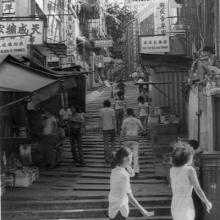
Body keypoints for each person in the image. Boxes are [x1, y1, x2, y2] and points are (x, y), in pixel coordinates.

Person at [108, 147, 154, 220]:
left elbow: (132, 174)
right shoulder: (124, 175)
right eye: (131, 158)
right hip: (120, 210)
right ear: (126, 159)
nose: (132, 160)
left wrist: (127, 164)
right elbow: (129, 196)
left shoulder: (115, 170)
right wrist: (143, 210)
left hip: (113, 209)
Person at [170, 143, 212, 220]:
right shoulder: (190, 170)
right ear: (187, 157)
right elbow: (197, 189)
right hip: (186, 204)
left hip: (175, 204)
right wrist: (206, 201)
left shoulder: (172, 170)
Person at [120, 108, 144, 175]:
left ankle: (127, 169)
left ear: (127, 113)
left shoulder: (125, 121)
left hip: (127, 139)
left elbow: (122, 131)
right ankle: (136, 171)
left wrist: (121, 138)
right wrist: (138, 133)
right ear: (133, 112)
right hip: (135, 139)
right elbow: (142, 129)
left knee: (126, 155)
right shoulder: (137, 120)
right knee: (135, 156)